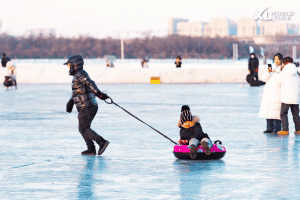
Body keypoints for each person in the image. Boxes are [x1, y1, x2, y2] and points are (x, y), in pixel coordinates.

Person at [64, 55, 110, 155]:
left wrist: (99, 94)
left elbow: (90, 83)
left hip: (87, 106)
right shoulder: (78, 75)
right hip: (85, 105)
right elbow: (78, 91)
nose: (68, 68)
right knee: (83, 128)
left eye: (69, 65)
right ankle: (91, 149)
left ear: (74, 65)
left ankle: (101, 142)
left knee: (83, 128)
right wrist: (71, 102)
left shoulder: (80, 74)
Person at [274, 56, 300, 135]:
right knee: (296, 114)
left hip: (286, 97)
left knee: (283, 113)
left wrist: (279, 70)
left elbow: (278, 81)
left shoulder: (284, 71)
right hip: (295, 97)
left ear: (284, 62)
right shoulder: (296, 71)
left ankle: (285, 129)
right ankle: (298, 129)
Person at [259, 53, 283, 134]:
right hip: (269, 91)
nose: (276, 61)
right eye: (275, 59)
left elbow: (281, 79)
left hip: (277, 90)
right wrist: (268, 72)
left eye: (278, 59)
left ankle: (277, 128)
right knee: (268, 109)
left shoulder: (282, 68)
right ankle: (269, 128)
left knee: (276, 110)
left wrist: (276, 72)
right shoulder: (271, 66)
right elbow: (264, 78)